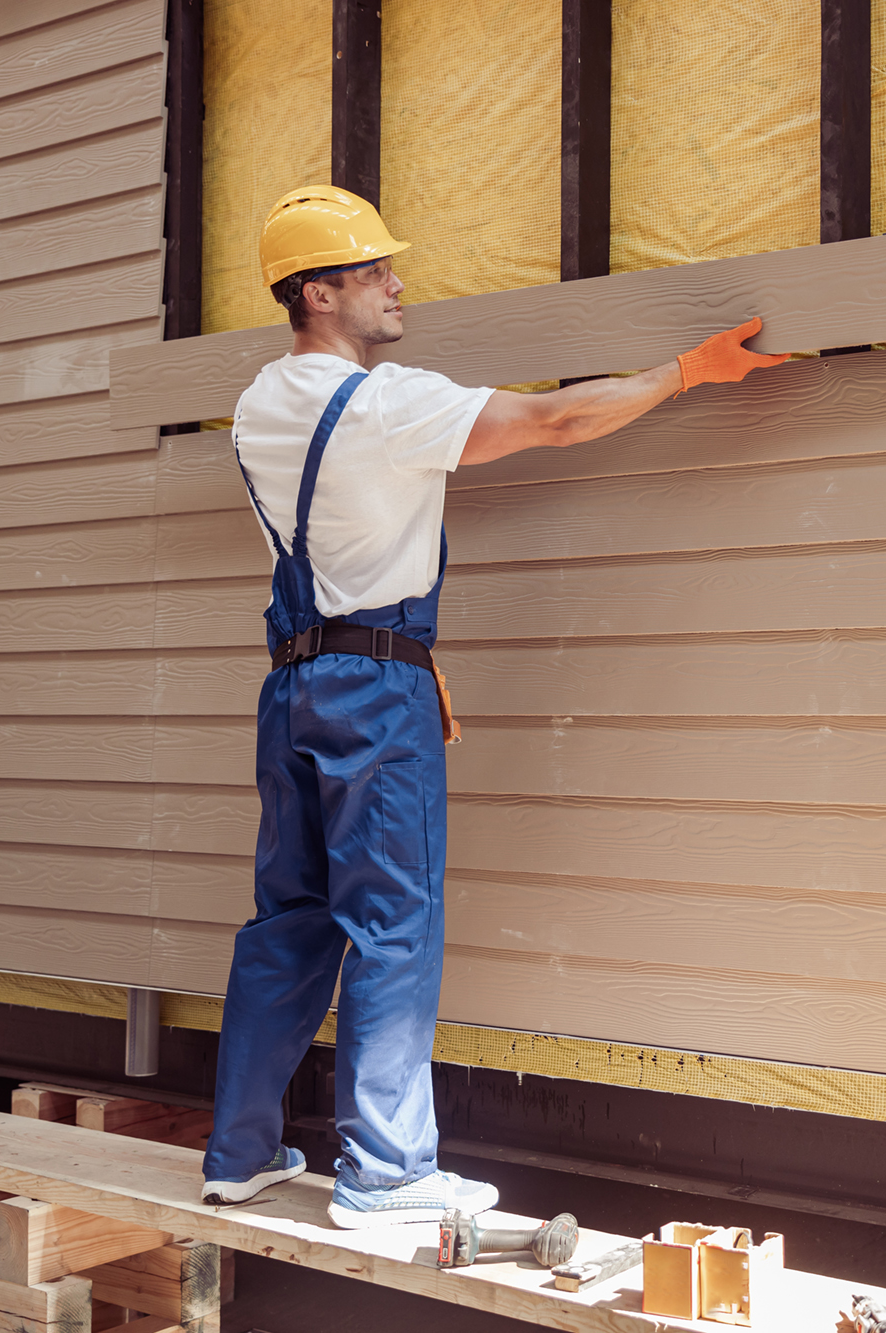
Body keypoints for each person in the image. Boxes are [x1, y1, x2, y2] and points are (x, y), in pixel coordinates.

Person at [199, 185, 787, 1228]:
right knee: (391, 923)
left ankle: (240, 1152)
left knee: (286, 919)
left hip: (290, 683)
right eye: (376, 270)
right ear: (321, 291)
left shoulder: (257, 406)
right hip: (375, 691)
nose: (397, 283)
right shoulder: (387, 406)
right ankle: (384, 1174)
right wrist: (687, 369)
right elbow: (557, 419)